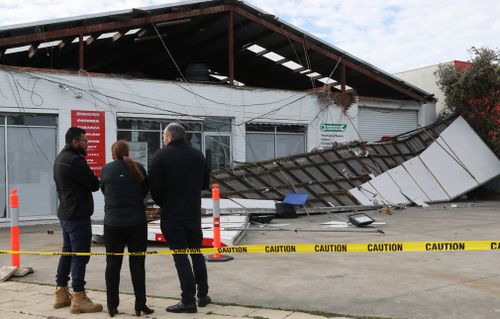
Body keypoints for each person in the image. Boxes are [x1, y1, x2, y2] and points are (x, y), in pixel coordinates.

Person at [149, 123, 211, 313]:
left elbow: (155, 188)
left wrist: (164, 203)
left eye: (163, 136)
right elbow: (205, 184)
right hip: (193, 213)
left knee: (180, 255)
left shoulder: (161, 156)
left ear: (169, 137)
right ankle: (203, 295)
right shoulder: (198, 155)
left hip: (172, 214)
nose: (162, 140)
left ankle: (188, 300)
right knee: (196, 253)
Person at [100, 140, 154, 317]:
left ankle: (112, 306)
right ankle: (140, 305)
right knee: (138, 264)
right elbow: (145, 190)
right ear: (127, 152)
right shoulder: (138, 167)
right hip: (136, 223)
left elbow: (104, 190)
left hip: (113, 224)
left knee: (112, 265)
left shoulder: (106, 169)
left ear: (113, 153)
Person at [53, 127, 102, 314]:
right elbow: (94, 184)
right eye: (84, 140)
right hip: (77, 215)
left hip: (65, 212)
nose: (86, 143)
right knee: (80, 255)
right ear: (74, 142)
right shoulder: (75, 161)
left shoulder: (60, 158)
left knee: (67, 252)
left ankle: (61, 292)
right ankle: (79, 297)